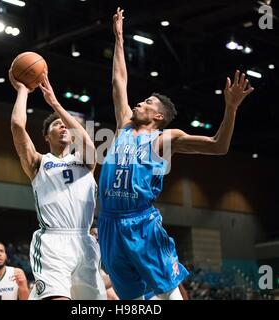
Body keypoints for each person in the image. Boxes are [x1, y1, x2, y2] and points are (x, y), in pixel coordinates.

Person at [97, 7, 254, 300]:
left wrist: (230, 109)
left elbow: (219, 146)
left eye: (147, 102)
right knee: (130, 298)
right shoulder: (122, 126)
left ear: (158, 116)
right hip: (108, 223)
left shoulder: (165, 138)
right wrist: (118, 38)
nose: (139, 103)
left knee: (168, 290)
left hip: (140, 223)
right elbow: (119, 81)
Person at [9, 70, 106, 300]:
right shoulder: (38, 162)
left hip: (85, 242)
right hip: (53, 242)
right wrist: (23, 90)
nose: (63, 127)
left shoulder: (85, 161)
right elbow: (16, 126)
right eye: (56, 125)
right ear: (46, 136)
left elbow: (86, 139)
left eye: (66, 126)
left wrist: (55, 104)